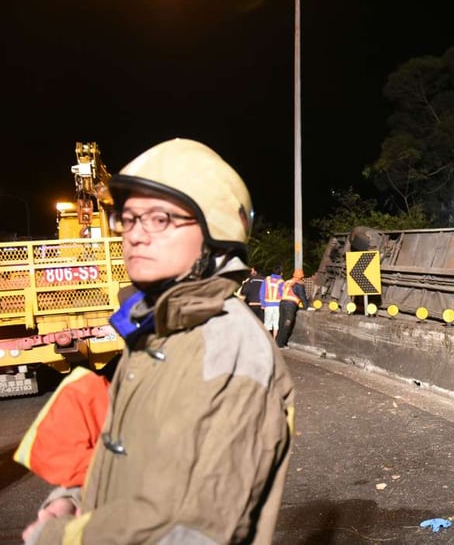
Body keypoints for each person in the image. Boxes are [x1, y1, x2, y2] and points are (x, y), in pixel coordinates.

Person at [22, 138, 295, 545]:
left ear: (215, 231)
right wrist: (74, 498)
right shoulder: (158, 332)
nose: (135, 235)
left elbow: (193, 530)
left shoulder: (227, 346)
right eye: (129, 219)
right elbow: (134, 462)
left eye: (159, 219)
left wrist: (58, 537)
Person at [276, 269, 309, 348]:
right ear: (301, 277)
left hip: (282, 303)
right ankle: (281, 344)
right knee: (287, 324)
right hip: (290, 306)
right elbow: (302, 297)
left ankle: (277, 342)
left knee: (281, 323)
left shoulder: (288, 282)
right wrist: (306, 307)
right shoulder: (299, 284)